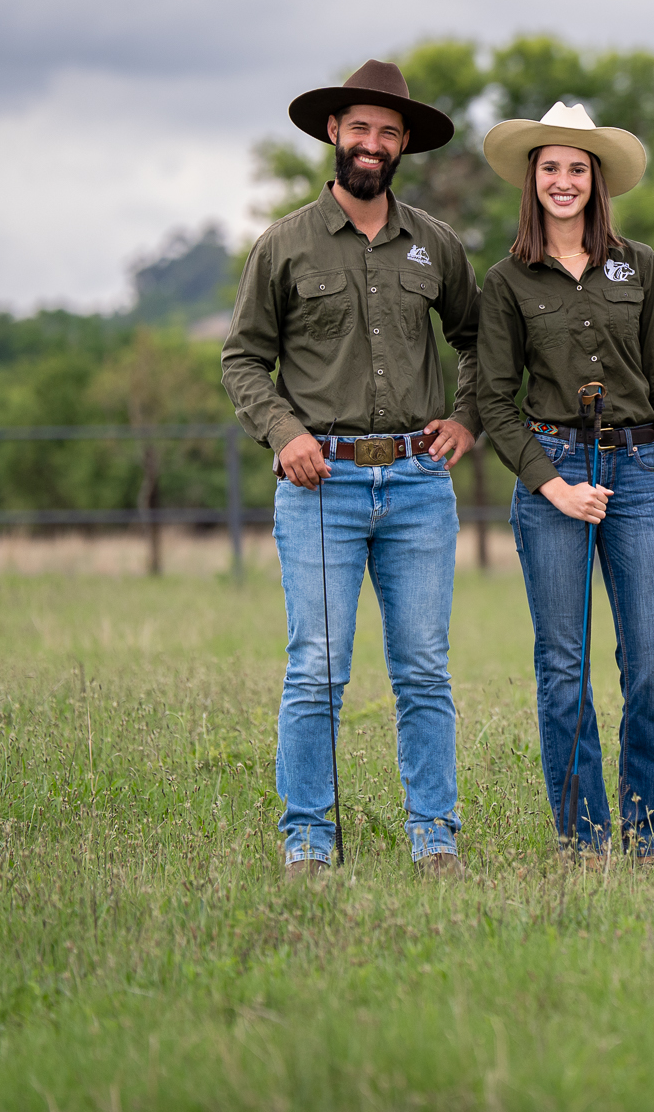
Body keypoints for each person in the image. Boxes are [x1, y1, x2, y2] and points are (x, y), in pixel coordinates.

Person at [221, 59, 481, 880]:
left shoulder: (434, 244)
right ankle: (306, 836)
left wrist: (468, 417)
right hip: (318, 484)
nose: (372, 143)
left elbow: (479, 340)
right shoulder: (285, 245)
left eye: (388, 132)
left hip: (416, 483)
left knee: (424, 670)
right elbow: (242, 359)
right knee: (318, 669)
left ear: (404, 145)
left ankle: (434, 835)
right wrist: (282, 432)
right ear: (334, 133)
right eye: (359, 128)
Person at [474, 101, 654, 870]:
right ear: (532, 180)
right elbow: (493, 403)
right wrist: (551, 486)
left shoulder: (639, 265)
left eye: (578, 168)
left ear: (596, 180)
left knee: (650, 667)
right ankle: (585, 840)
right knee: (562, 668)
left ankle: (649, 838)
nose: (564, 180)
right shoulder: (506, 280)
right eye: (551, 168)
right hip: (553, 480)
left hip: (640, 477)